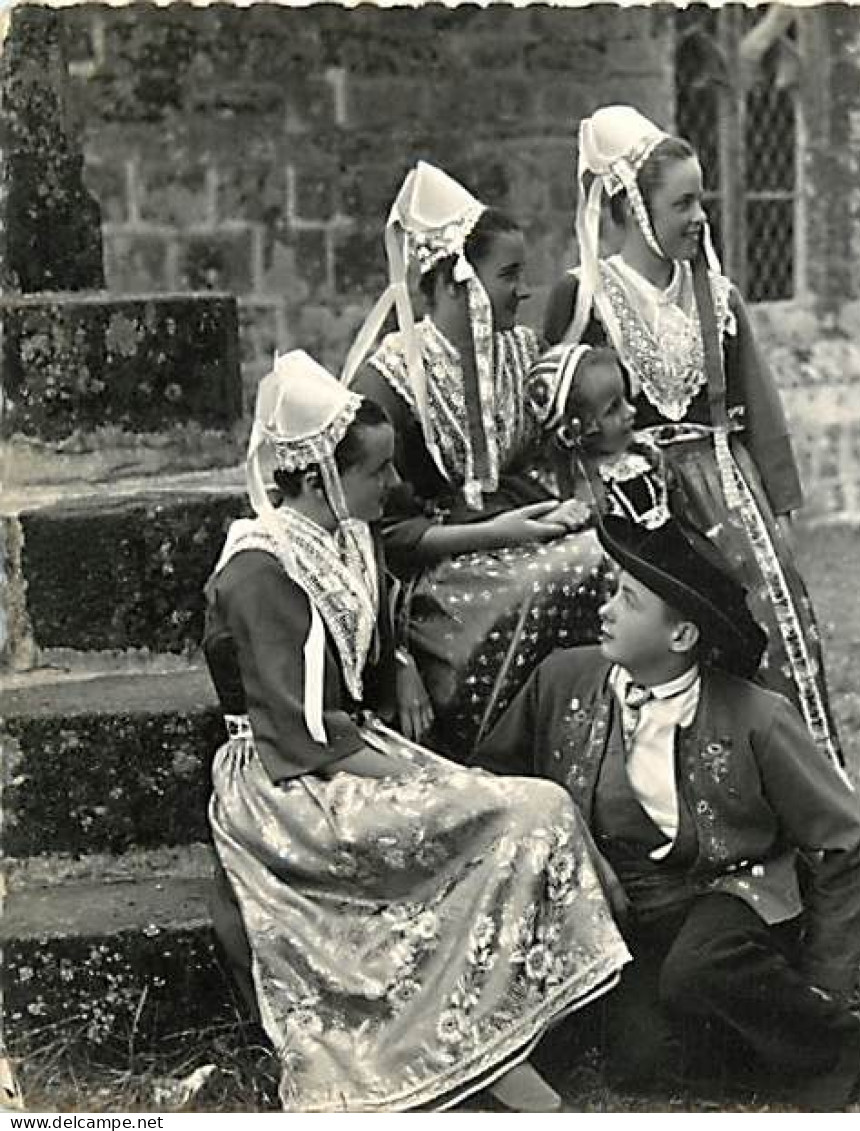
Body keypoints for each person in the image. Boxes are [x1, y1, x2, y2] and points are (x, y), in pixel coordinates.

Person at [203, 351, 629, 1112]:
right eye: (375, 473)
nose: (391, 487)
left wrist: (397, 656)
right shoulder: (260, 572)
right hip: (291, 788)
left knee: (526, 805)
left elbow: (379, 593)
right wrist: (427, 778)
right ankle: (475, 1041)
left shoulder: (343, 532)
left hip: (344, 745)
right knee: (519, 808)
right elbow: (300, 733)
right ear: (317, 477)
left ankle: (495, 1027)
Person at [474, 514, 860, 1110]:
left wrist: (825, 981)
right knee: (641, 1059)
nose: (605, 610)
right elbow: (499, 783)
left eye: (627, 601)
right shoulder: (562, 680)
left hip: (734, 893)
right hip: (628, 910)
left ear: (681, 636)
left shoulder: (755, 716)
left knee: (700, 971)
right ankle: (792, 1030)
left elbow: (849, 840)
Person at [544, 105, 844, 773]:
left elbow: (760, 411)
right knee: (661, 650)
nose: (698, 217)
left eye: (700, 200)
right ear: (634, 207)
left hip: (723, 488)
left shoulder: (718, 297)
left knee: (769, 624)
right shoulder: (584, 297)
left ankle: (789, 803)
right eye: (681, 203)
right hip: (631, 506)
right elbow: (561, 422)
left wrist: (780, 513)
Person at [343, 161, 606, 758]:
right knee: (564, 573)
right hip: (434, 577)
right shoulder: (389, 384)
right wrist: (494, 531)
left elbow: (554, 457)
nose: (525, 291)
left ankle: (595, 759)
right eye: (508, 275)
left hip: (525, 540)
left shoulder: (522, 351)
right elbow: (379, 535)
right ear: (457, 281)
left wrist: (567, 504)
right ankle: (498, 755)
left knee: (615, 554)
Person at [531, 341, 673, 532]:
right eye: (612, 409)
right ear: (575, 431)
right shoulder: (546, 492)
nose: (630, 410)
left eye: (625, 398)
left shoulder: (641, 462)